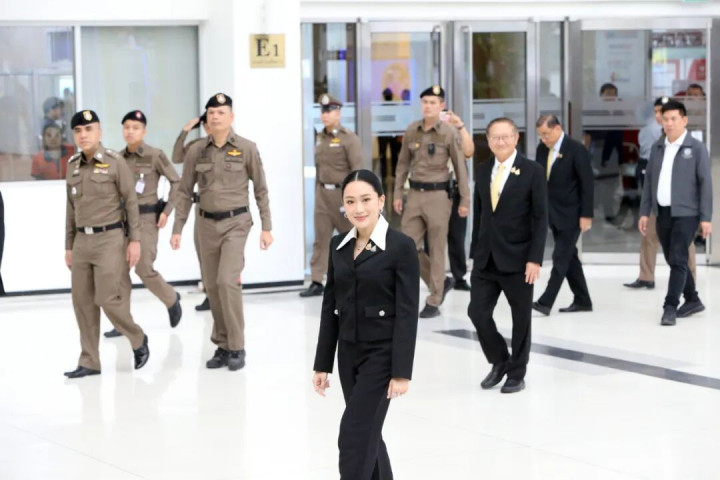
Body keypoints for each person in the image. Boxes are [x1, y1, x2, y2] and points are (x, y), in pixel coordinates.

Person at [313, 169, 419, 480]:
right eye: (350, 201)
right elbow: (330, 307)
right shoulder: (338, 245)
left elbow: (408, 312)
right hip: (348, 354)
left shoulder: (401, 246)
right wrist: (322, 363)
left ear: (381, 201)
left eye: (365, 200)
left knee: (354, 433)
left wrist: (401, 371)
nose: (358, 209)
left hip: (382, 355)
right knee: (368, 432)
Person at [171, 93, 273, 371]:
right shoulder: (196, 150)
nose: (215, 116)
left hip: (236, 223)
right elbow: (184, 191)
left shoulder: (246, 148)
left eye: (221, 112)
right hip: (205, 225)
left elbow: (261, 189)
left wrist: (266, 226)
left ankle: (237, 345)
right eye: (211, 113)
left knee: (227, 281)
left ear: (231, 117)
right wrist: (177, 228)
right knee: (213, 286)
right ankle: (223, 344)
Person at [63, 109, 149, 378]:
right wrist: (68, 245)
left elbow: (131, 202)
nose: (83, 135)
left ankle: (137, 337)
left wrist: (135, 241)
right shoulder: (72, 165)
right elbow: (70, 209)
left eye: (88, 129)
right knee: (83, 303)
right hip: (82, 242)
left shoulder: (114, 162)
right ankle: (90, 361)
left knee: (107, 299)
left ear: (99, 132)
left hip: (110, 239)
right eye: (78, 131)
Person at [468, 117, 547, 394]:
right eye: (494, 137)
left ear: (516, 138)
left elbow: (540, 218)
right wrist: (474, 253)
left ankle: (517, 373)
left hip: (519, 258)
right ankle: (500, 359)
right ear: (488, 140)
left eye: (505, 136)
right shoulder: (482, 169)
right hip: (486, 258)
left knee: (521, 320)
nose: (500, 142)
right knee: (477, 312)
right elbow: (480, 214)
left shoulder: (532, 171)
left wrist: (535, 258)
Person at [392, 85, 470, 318]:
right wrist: (397, 193)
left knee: (436, 248)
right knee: (407, 246)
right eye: (425, 102)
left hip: (439, 196)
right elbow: (402, 164)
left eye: (433, 103)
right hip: (415, 194)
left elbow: (460, 168)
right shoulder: (412, 130)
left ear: (441, 106)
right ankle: (440, 282)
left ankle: (434, 299)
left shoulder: (449, 132)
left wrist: (465, 200)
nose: (428, 106)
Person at [104, 110, 182, 338]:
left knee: (143, 267)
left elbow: (177, 182)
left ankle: (171, 298)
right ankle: (123, 323)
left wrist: (167, 211)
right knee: (119, 271)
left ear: (144, 131)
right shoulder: (116, 159)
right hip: (121, 221)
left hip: (146, 219)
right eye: (127, 127)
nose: (130, 131)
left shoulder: (154, 155)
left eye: (135, 128)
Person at [638, 99, 712, 326]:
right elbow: (649, 182)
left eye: (673, 119)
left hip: (687, 213)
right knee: (673, 259)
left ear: (684, 120)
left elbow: (705, 184)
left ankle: (670, 306)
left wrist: (706, 218)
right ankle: (693, 299)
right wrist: (644, 212)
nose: (669, 123)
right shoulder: (658, 147)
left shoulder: (696, 148)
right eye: (665, 119)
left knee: (679, 258)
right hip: (662, 213)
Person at [624, 97, 697, 290]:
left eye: (662, 112)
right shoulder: (654, 135)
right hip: (657, 193)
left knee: (684, 241)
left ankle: (689, 280)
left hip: (678, 201)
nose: (659, 116)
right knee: (648, 233)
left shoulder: (680, 137)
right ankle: (646, 276)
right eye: (657, 112)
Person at [300, 93, 362, 297]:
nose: (325, 115)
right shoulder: (320, 137)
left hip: (342, 195)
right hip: (323, 195)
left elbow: (357, 170)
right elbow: (320, 168)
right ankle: (317, 280)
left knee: (351, 239)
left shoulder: (349, 138)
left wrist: (354, 200)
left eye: (329, 111)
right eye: (323, 111)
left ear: (338, 113)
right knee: (321, 239)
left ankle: (358, 278)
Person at [532, 115, 594, 315]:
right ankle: (583, 300)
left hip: (572, 213)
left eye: (546, 134)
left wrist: (586, 214)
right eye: (540, 135)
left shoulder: (576, 149)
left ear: (557, 129)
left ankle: (545, 302)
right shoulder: (542, 150)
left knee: (560, 256)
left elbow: (587, 184)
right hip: (552, 213)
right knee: (569, 257)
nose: (544, 139)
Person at [172, 113, 212, 311]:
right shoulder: (197, 147)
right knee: (203, 256)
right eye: (206, 123)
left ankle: (225, 296)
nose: (209, 126)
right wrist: (185, 131)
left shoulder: (236, 147)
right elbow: (177, 157)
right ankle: (210, 295)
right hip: (202, 211)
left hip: (227, 212)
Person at [444, 110, 474, 291]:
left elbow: (469, 151)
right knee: (433, 237)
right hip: (435, 191)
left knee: (457, 235)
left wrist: (460, 125)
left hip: (455, 190)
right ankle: (435, 278)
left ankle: (459, 276)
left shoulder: (457, 135)